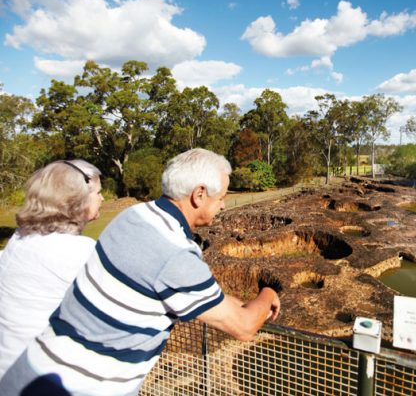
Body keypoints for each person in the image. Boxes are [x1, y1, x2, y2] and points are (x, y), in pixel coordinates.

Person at [0, 148, 280, 396]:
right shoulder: (175, 253)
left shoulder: (133, 216)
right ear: (199, 194)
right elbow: (243, 327)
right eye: (222, 197)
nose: (222, 204)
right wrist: (268, 293)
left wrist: (228, 300)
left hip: (29, 372)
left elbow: (196, 295)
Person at [0, 160, 103, 378]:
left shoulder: (18, 240)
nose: (102, 199)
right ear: (78, 199)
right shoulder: (80, 252)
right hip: (42, 377)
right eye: (98, 193)